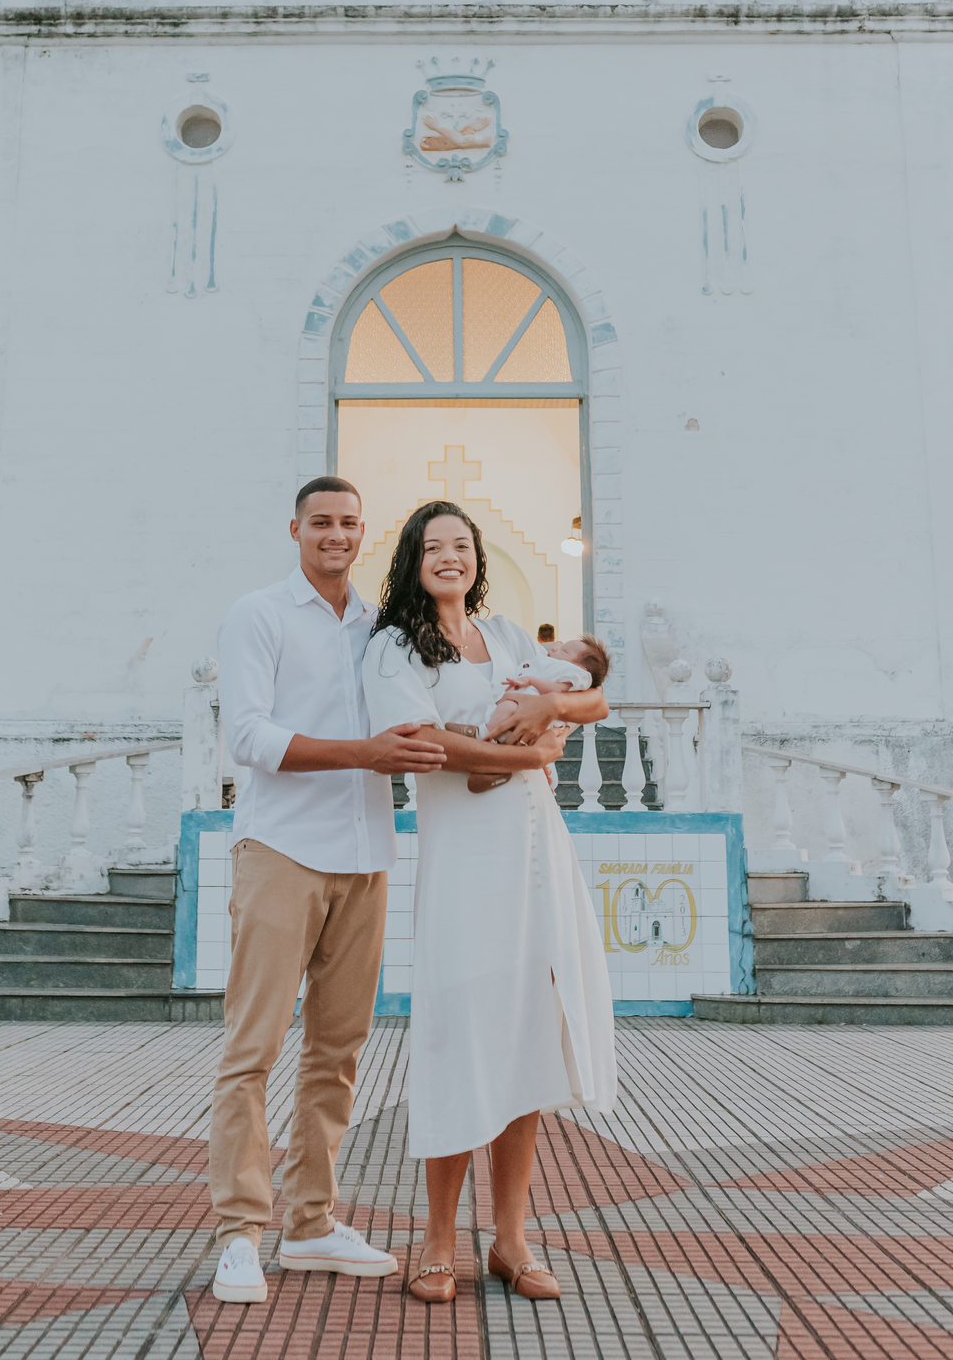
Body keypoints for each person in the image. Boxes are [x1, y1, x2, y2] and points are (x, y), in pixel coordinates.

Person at [361, 502, 618, 1306]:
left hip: (537, 854)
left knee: (529, 1036)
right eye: (433, 546)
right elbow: (422, 744)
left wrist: (549, 713)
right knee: (461, 1036)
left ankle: (511, 1237)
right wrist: (533, 751)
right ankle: (438, 1238)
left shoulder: (507, 635)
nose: (450, 557)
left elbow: (596, 700)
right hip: (466, 865)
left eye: (461, 546)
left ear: (478, 560)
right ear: (411, 560)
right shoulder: (395, 647)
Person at [208, 476, 446, 1305]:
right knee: (253, 1049)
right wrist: (363, 754)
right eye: (321, 523)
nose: (336, 534)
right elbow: (248, 735)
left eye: (348, 523)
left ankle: (310, 1224)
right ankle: (239, 1232)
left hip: (366, 853)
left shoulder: (383, 627)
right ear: (295, 528)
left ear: (362, 531)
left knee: (338, 1052)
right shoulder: (260, 614)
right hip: (281, 850)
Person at [469, 633, 611, 794]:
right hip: (524, 720)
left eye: (563, 651)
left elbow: (598, 703)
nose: (555, 648)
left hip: (530, 721)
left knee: (507, 709)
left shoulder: (572, 674)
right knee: (506, 714)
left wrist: (534, 685)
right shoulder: (549, 663)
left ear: (579, 669)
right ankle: (493, 770)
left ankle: (480, 736)